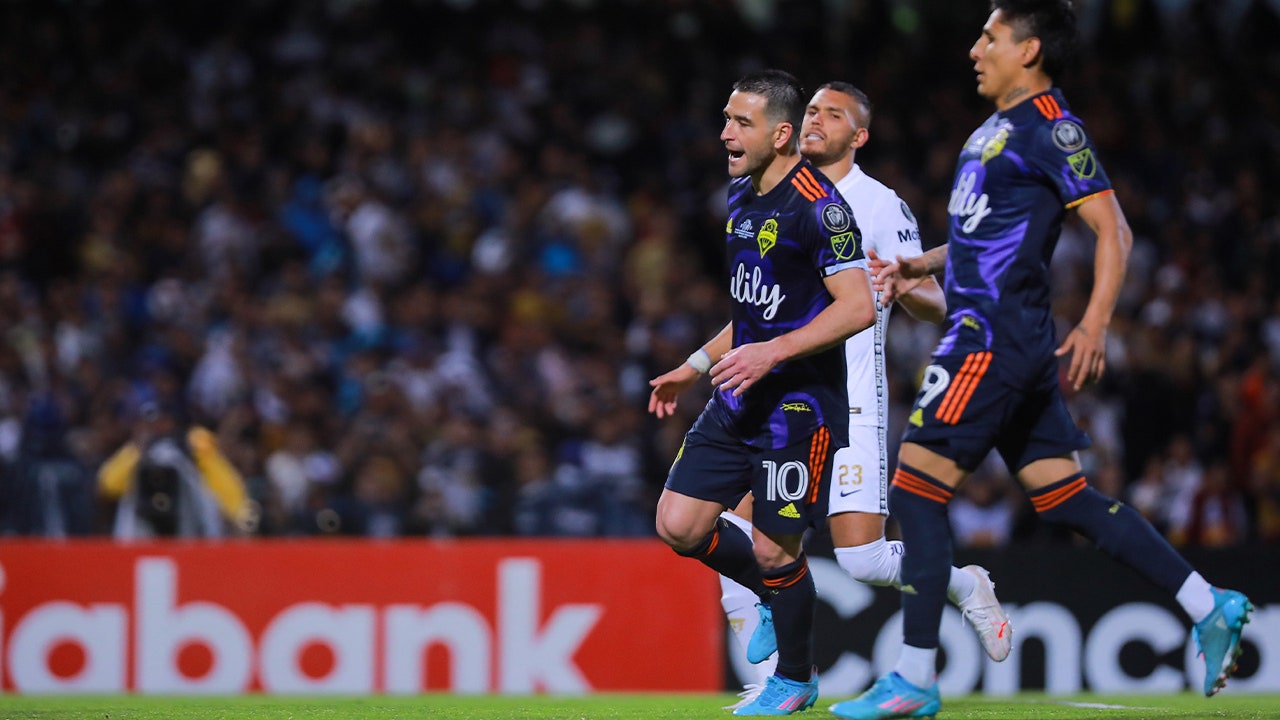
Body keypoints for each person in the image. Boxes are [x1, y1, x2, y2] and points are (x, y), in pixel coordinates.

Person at [832, 2, 1253, 718]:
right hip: (1005, 338)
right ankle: (1207, 602)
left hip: (990, 337)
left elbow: (1110, 226)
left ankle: (915, 676)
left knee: (916, 492)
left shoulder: (1053, 126)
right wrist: (919, 264)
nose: (973, 48)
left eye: (990, 37)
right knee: (1066, 498)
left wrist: (1095, 323)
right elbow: (985, 234)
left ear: (1029, 50)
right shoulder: (993, 131)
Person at [716, 82, 1012, 710]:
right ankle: (780, 674)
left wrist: (899, 280)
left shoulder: (878, 205)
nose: (818, 119)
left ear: (860, 135)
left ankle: (962, 584)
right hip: (782, 397)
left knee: (863, 558)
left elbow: (933, 305)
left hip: (849, 401)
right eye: (813, 110)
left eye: (834, 114)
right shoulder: (775, 192)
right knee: (732, 529)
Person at [648, 69, 877, 716]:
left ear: (781, 134)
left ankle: (796, 679)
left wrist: (774, 352)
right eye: (725, 118)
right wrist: (695, 364)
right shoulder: (743, 197)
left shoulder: (821, 206)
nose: (725, 132)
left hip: (797, 408)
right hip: (738, 397)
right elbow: (755, 314)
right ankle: (778, 595)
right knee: (679, 525)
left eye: (740, 122)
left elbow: (858, 308)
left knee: (778, 548)